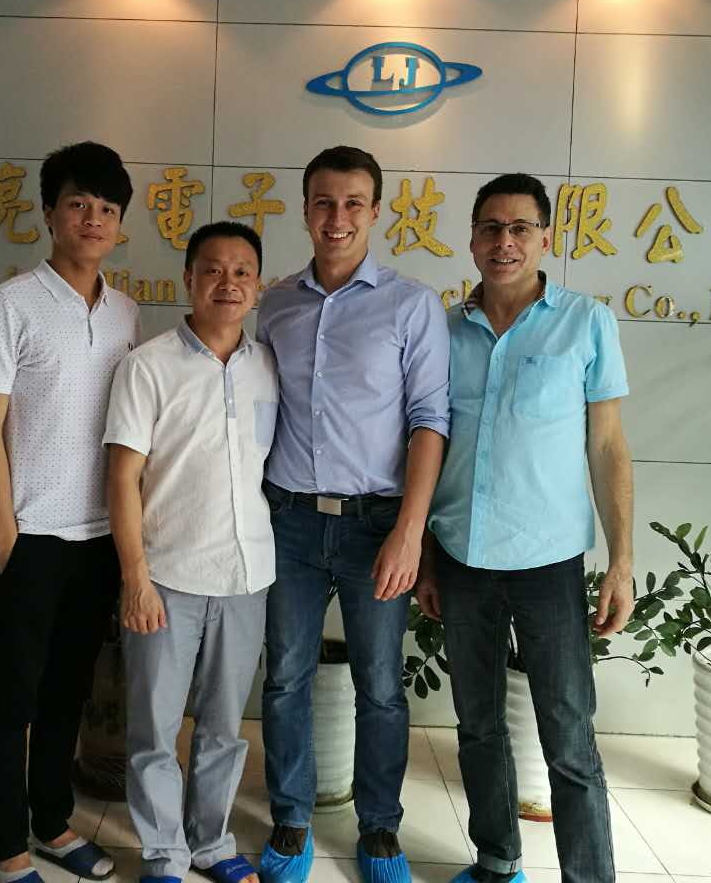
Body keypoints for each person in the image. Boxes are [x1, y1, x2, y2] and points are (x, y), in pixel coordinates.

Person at [419, 173, 634, 883]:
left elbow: (608, 447)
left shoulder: (585, 322)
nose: (504, 242)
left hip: (548, 562)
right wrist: (426, 555)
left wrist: (622, 562)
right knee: (477, 725)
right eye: (490, 227)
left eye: (519, 228)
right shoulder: (445, 331)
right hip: (462, 557)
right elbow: (428, 445)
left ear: (545, 238)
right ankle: (496, 858)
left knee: (568, 734)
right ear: (472, 239)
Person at [255, 146, 450, 883]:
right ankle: (291, 817)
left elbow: (430, 422)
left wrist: (410, 532)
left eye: (353, 204)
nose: (337, 218)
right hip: (290, 521)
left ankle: (379, 828)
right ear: (305, 210)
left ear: (375, 212)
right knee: (285, 677)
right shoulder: (275, 304)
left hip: (377, 525)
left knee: (381, 686)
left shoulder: (410, 304)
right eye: (324, 203)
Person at [0, 142, 137, 883]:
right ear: (48, 214)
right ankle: (7, 848)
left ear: (120, 225)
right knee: (14, 696)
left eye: (106, 208)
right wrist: (6, 533)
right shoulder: (10, 305)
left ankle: (53, 823)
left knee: (69, 690)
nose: (92, 219)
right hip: (29, 537)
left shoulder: (127, 312)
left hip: (98, 538)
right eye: (78, 204)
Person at [104, 220, 277, 883]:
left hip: (246, 575)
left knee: (224, 727)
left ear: (257, 285)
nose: (227, 283)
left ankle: (211, 843)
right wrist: (135, 578)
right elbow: (121, 477)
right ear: (189, 279)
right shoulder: (147, 366)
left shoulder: (268, 366)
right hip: (167, 577)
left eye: (241, 272)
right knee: (153, 730)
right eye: (212, 269)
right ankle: (164, 855)